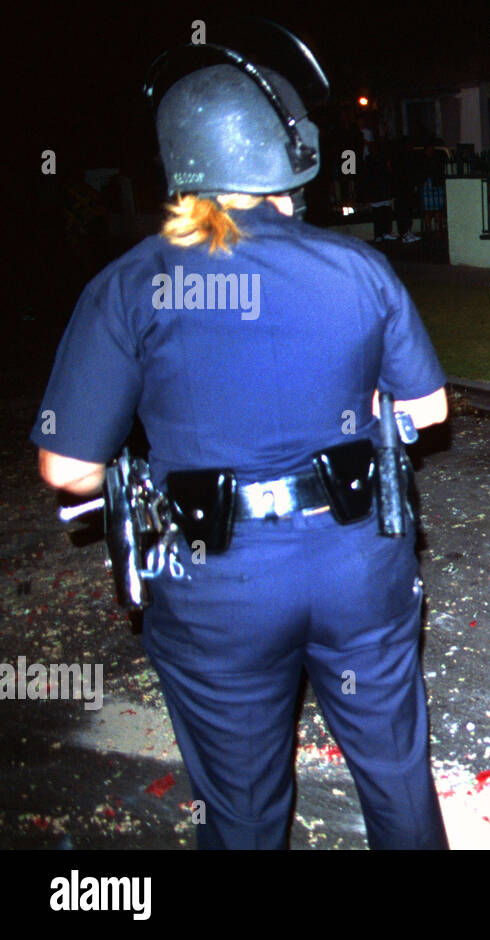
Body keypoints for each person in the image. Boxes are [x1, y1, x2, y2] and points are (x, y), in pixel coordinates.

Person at [31, 28, 451, 849]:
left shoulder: (130, 284)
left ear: (180, 166)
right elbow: (428, 409)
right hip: (358, 560)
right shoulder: (360, 268)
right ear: (293, 159)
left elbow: (68, 470)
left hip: (219, 580)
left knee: (247, 810)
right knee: (396, 773)